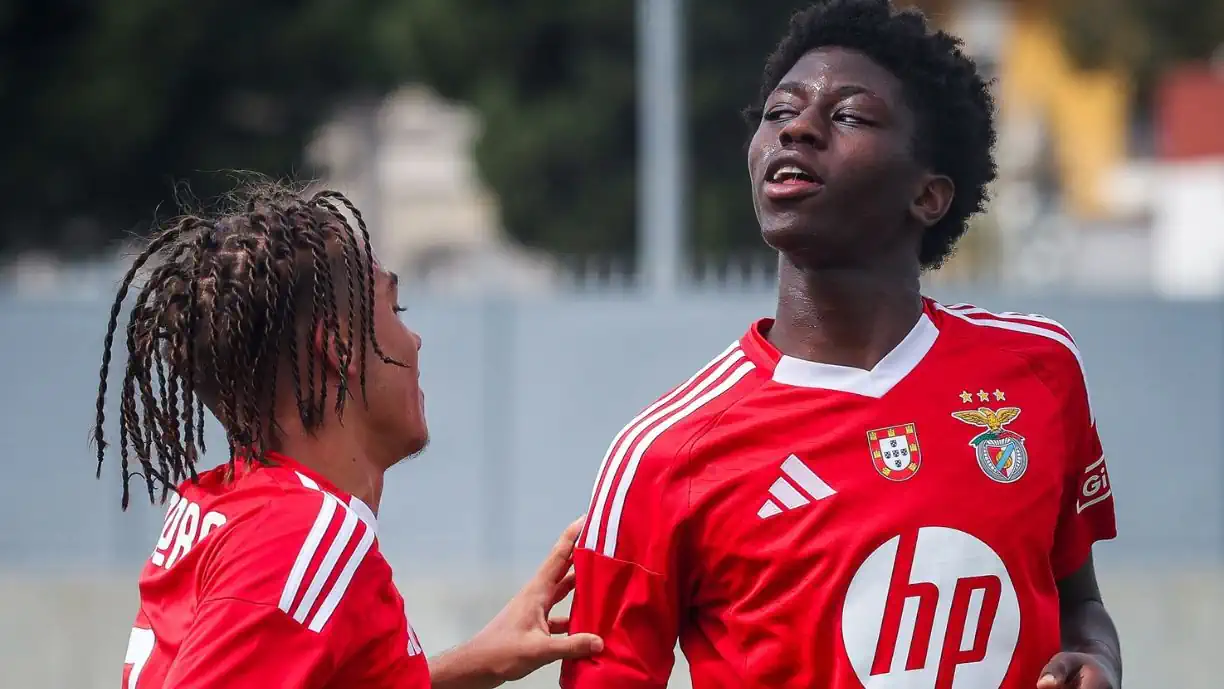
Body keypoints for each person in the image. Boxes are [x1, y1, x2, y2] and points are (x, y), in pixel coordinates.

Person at [562, 1, 1121, 688]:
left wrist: (1097, 662)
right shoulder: (663, 456)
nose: (797, 127)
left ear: (929, 196)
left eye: (848, 115)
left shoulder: (1040, 368)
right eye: (778, 112)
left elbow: (1080, 603)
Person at [92, 185, 603, 688]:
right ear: (338, 347)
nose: (415, 339)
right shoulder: (303, 533)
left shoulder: (229, 503)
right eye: (395, 311)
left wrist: (479, 661)